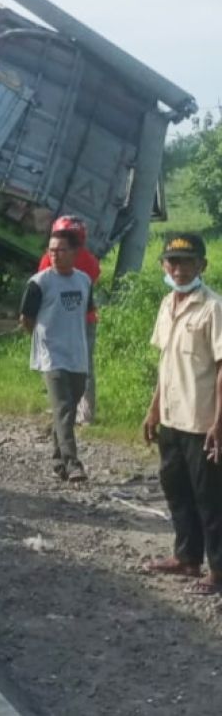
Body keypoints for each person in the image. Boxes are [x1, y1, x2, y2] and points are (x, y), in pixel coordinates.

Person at [141, 233, 222, 596]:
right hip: (172, 419)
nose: (178, 269)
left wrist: (218, 422)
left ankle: (218, 571)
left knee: (211, 499)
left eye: (187, 262)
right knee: (176, 490)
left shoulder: (213, 308)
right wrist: (153, 409)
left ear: (202, 265)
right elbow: (166, 363)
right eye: (172, 262)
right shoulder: (167, 304)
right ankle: (186, 558)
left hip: (201, 421)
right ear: (164, 265)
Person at [20, 229, 94, 482]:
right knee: (63, 408)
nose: (55, 255)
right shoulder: (39, 283)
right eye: (51, 250)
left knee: (68, 410)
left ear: (75, 253)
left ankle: (57, 461)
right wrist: (42, 339)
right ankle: (73, 463)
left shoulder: (84, 281)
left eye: (61, 250)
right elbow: (26, 318)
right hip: (51, 356)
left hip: (77, 355)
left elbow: (86, 313)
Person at [37, 216, 101, 424]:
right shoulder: (90, 260)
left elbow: (42, 284)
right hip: (84, 320)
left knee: (55, 364)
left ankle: (62, 407)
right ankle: (82, 412)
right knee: (83, 365)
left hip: (59, 321)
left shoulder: (50, 258)